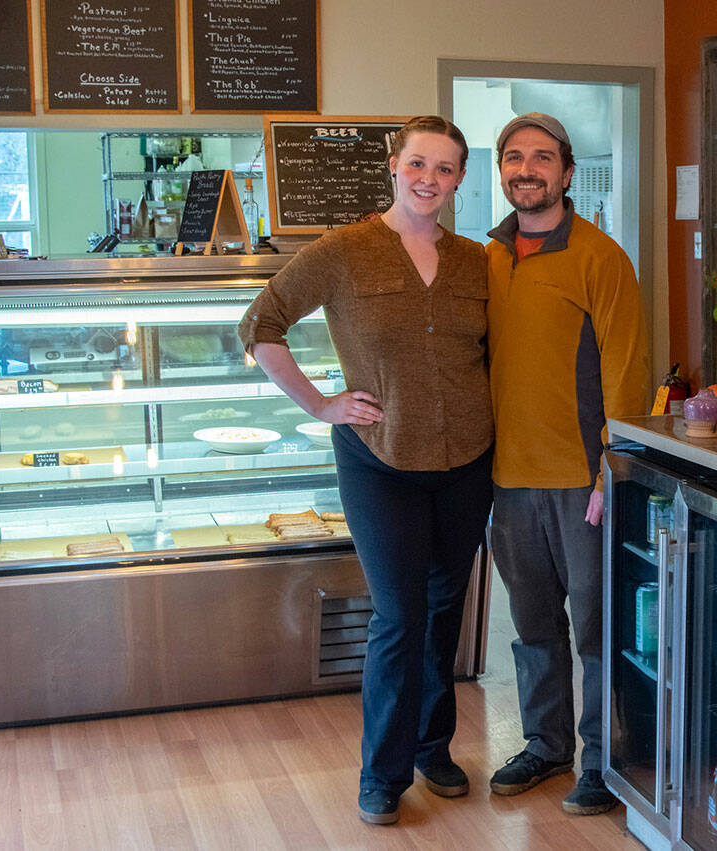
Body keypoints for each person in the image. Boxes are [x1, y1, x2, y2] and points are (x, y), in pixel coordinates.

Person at [237, 116, 492, 826]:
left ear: (460, 180)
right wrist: (322, 402)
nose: (428, 179)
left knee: (446, 610)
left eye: (444, 169)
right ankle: (382, 772)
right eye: (418, 163)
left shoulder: (476, 261)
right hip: (380, 460)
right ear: (393, 165)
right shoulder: (345, 250)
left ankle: (431, 747)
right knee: (399, 615)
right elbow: (261, 323)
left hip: (469, 459)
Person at [484, 112, 650, 815]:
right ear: (502, 172)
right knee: (534, 624)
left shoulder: (600, 256)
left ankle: (600, 760)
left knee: (593, 626)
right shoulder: (483, 258)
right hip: (507, 481)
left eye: (542, 158)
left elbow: (628, 368)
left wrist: (614, 467)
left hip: (582, 480)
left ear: (567, 172)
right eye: (515, 158)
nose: (528, 169)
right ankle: (544, 744)